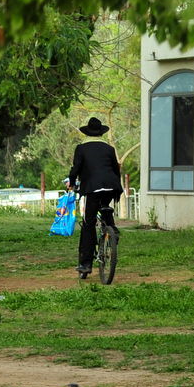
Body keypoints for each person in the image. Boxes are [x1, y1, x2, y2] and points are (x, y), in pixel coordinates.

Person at [66, 117, 123, 274]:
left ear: (87, 132)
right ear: (101, 133)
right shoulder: (109, 149)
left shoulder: (81, 148)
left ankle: (86, 264)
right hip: (111, 185)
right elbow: (116, 170)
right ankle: (112, 230)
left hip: (92, 187)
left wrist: (71, 182)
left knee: (89, 223)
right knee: (105, 207)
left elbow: (76, 168)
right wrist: (116, 187)